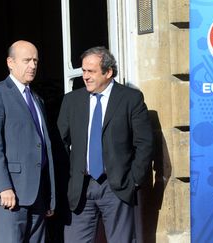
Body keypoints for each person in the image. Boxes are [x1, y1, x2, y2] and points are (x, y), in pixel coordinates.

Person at [57, 46, 153, 243]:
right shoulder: (71, 101)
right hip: (80, 187)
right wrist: (66, 179)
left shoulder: (130, 99)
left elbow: (144, 143)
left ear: (108, 72)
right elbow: (60, 144)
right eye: (83, 71)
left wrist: (133, 180)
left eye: (91, 71)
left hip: (116, 186)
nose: (85, 76)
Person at [0, 40, 55, 243]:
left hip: (37, 194)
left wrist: (48, 194)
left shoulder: (37, 99)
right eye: (27, 60)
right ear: (10, 62)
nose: (33, 66)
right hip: (10, 194)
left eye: (35, 61)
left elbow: (42, 146)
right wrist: (4, 187)